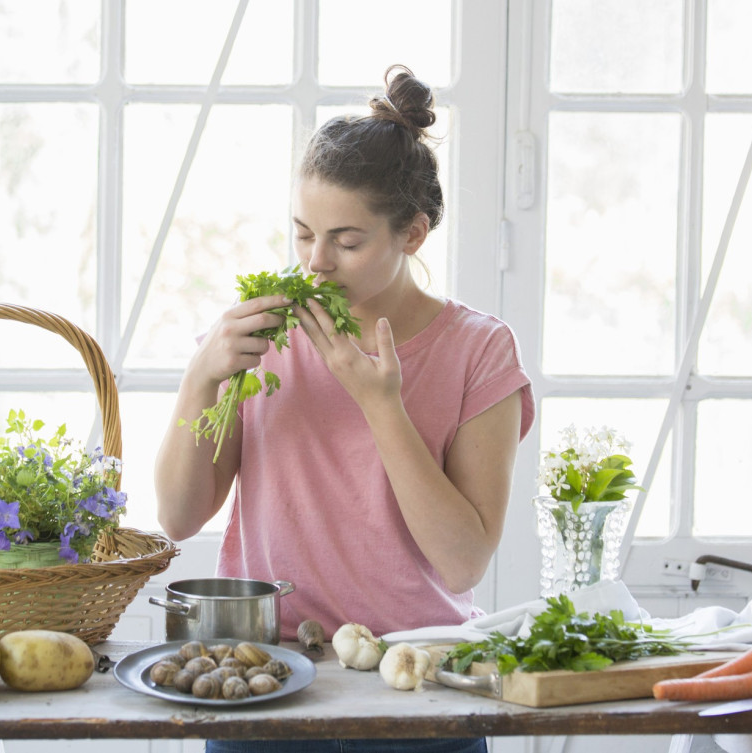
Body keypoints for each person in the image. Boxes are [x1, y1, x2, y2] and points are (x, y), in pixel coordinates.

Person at [154, 65, 535, 753]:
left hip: (417, 683)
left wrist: (380, 405)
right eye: (303, 233)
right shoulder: (261, 334)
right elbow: (179, 516)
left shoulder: (479, 350)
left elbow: (463, 563)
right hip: (260, 678)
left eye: (347, 241)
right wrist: (200, 374)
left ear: (413, 234)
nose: (316, 263)